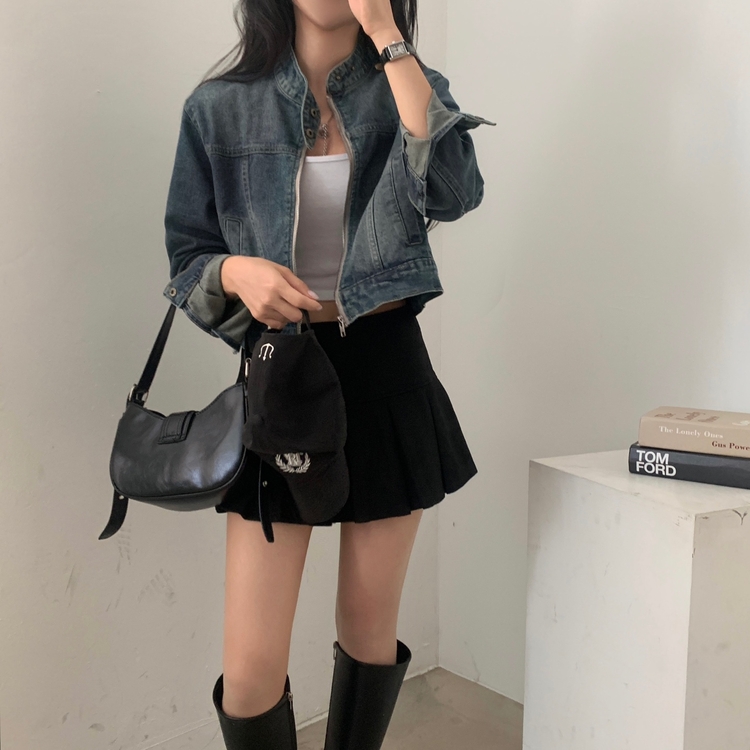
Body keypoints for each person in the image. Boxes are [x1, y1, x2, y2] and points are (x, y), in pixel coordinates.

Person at [162, 0, 495, 747]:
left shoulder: (410, 84)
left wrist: (388, 35)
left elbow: (454, 192)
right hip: (282, 374)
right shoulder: (218, 107)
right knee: (250, 672)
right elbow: (187, 258)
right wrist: (234, 272)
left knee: (369, 632)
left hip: (387, 373)